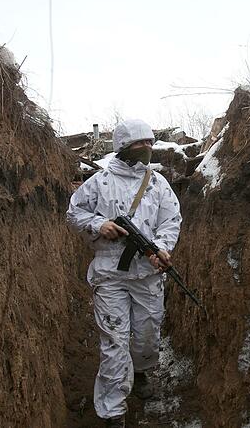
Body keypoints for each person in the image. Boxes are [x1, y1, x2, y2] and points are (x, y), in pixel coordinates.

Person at [66, 119, 182, 428]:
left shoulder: (157, 184)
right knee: (115, 342)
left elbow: (171, 220)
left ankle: (141, 372)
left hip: (148, 275)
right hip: (110, 275)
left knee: (146, 336)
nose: (147, 148)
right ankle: (112, 411)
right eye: (139, 143)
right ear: (123, 147)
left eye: (150, 142)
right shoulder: (100, 182)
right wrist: (98, 224)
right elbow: (74, 212)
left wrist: (161, 248)